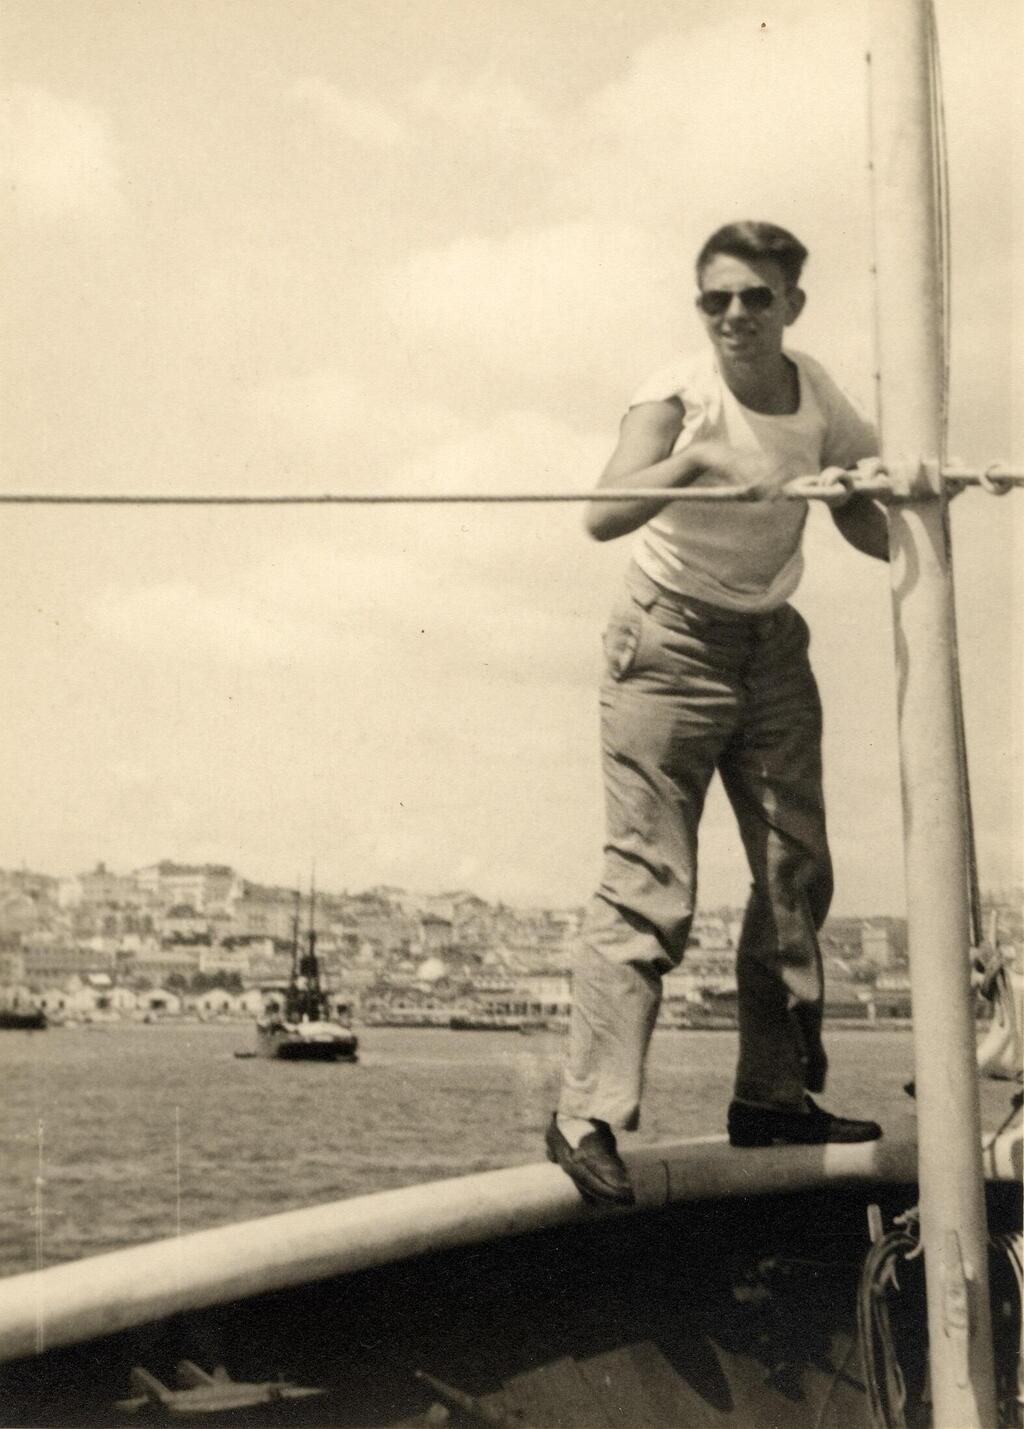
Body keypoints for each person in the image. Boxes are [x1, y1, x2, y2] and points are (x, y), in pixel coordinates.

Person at [546, 221, 889, 1207]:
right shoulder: (674, 398)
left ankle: (773, 1097)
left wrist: (904, 522)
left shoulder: (816, 391)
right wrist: (693, 468)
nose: (734, 315)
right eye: (715, 299)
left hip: (770, 645)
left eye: (754, 297)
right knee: (652, 884)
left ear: (792, 305)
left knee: (794, 872)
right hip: (667, 644)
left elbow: (860, 514)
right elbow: (602, 510)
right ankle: (587, 1117)